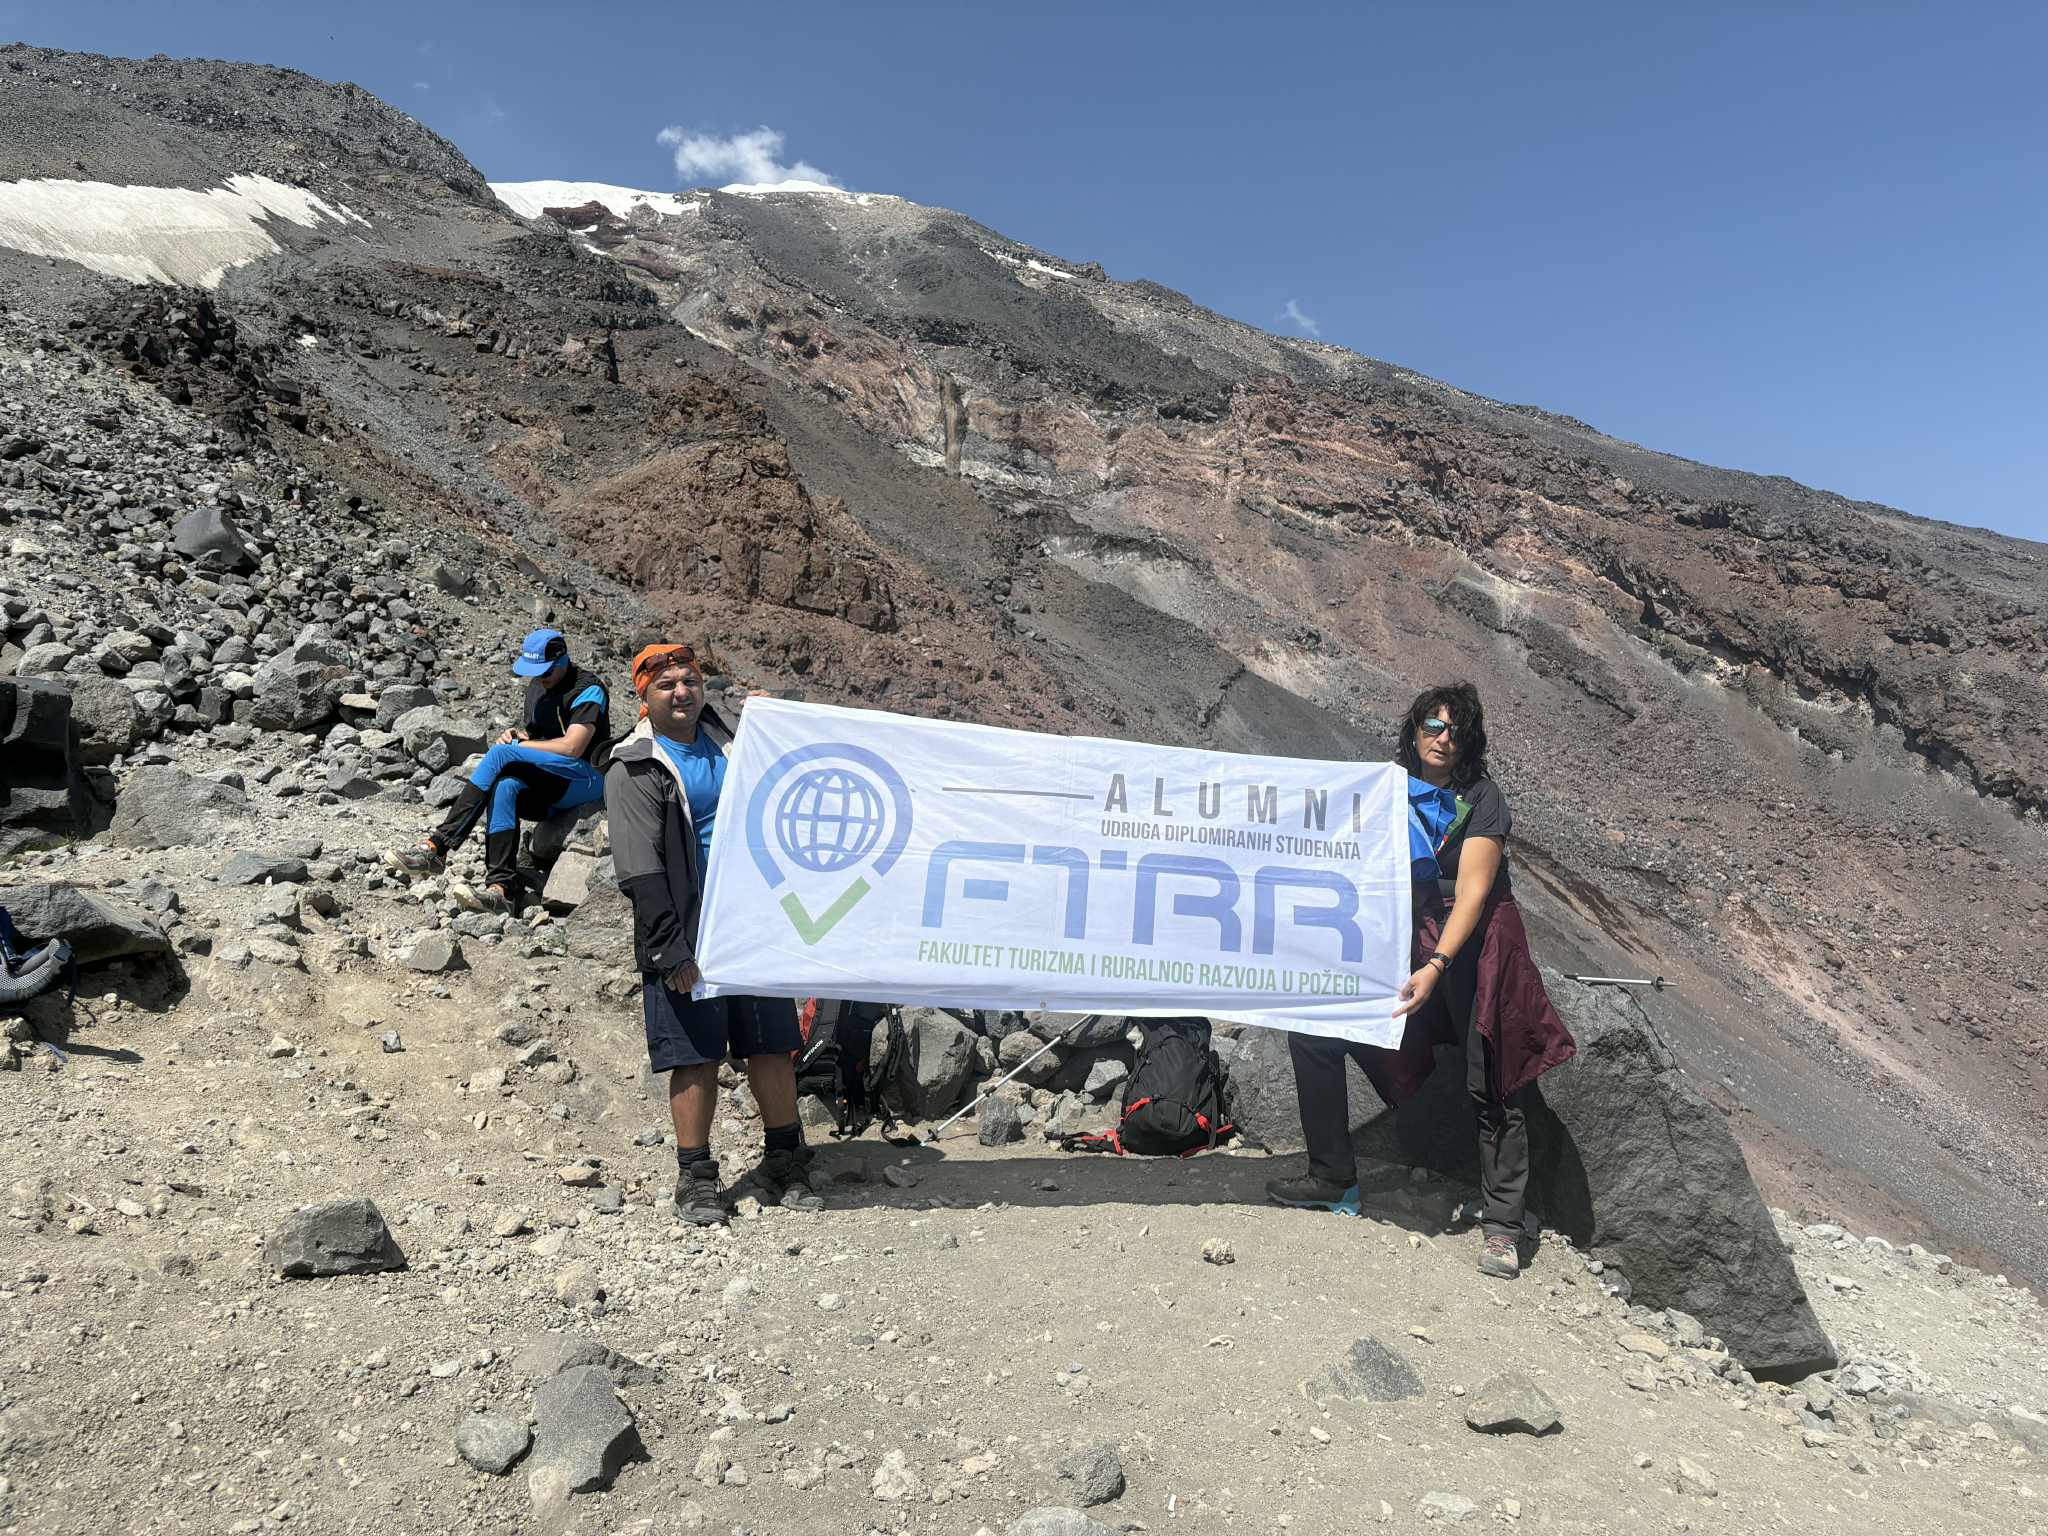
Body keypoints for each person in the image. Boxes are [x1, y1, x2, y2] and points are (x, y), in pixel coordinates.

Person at [1266, 682, 1575, 1279]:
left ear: (1469, 742)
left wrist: (1436, 966)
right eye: (1433, 725)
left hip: (1478, 947)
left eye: (1456, 730)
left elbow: (1475, 892)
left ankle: (1503, 1227)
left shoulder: (1483, 798)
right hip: (1403, 937)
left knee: (1493, 1074)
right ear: (1414, 730)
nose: (1443, 738)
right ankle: (1332, 1177)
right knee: (1316, 1033)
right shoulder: (1386, 789)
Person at [605, 641, 821, 1224]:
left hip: (751, 925)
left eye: (690, 681)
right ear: (644, 697)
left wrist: (776, 722)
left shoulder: (730, 740)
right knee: (695, 1057)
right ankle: (696, 1178)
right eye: (666, 685)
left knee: (771, 1046)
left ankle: (785, 1160)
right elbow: (639, 868)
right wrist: (669, 947)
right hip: (689, 931)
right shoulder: (635, 766)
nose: (681, 692)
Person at [385, 628, 612, 913]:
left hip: (587, 778)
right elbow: (537, 734)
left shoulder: (588, 689)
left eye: (545, 670)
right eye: (535, 672)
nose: (540, 677)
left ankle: (437, 847)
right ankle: (501, 890)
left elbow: (572, 747)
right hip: (553, 782)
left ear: (562, 660)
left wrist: (518, 748)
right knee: (507, 786)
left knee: (502, 754)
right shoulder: (538, 688)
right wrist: (518, 736)